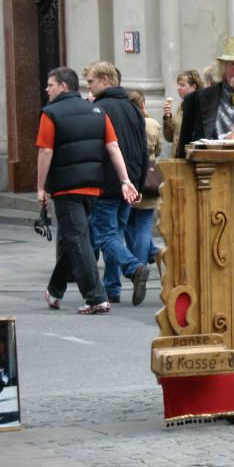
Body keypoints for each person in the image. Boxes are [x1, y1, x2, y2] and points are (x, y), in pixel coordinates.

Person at [36, 67, 139, 314]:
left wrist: (40, 187)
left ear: (63, 86)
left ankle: (95, 298)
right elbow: (113, 147)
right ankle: (55, 290)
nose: (46, 90)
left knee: (77, 239)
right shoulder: (97, 111)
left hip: (66, 188)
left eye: (50, 85)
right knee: (77, 237)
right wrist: (125, 180)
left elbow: (45, 151)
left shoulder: (50, 114)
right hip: (94, 186)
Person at [86, 61, 151, 305]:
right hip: (130, 181)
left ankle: (134, 269)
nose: (89, 88)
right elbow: (142, 149)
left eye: (91, 82)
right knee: (117, 233)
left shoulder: (100, 108)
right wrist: (139, 184)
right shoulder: (132, 108)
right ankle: (111, 288)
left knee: (106, 236)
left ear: (105, 79)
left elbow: (96, 148)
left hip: (107, 182)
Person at [125, 90, 163, 276]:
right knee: (143, 225)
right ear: (143, 105)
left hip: (128, 177)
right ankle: (143, 261)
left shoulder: (124, 124)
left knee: (128, 223)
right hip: (149, 178)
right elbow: (159, 148)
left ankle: (138, 264)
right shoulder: (152, 124)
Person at [162, 69, 203, 155]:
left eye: (182, 85)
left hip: (191, 158)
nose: (178, 88)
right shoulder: (181, 107)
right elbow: (170, 138)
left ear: (193, 87)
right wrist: (167, 118)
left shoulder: (200, 107)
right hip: (178, 158)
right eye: (178, 85)